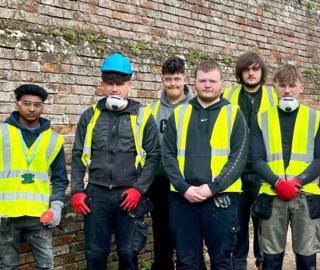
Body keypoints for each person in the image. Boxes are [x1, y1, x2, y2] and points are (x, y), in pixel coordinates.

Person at [70, 52, 161, 270]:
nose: (114, 89)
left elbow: (154, 155)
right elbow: (77, 154)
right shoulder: (89, 116)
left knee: (128, 253)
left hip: (128, 195)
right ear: (102, 83)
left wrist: (139, 190)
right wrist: (77, 190)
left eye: (119, 83)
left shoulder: (143, 116)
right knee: (95, 253)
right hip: (96, 195)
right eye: (109, 83)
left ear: (129, 83)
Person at [162, 60, 248, 269]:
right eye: (202, 80)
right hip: (183, 198)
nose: (207, 85)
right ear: (194, 82)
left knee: (222, 261)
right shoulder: (179, 114)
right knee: (186, 262)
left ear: (222, 83)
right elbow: (168, 156)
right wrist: (184, 188)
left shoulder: (234, 114)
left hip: (222, 198)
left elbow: (239, 158)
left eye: (212, 80)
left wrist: (213, 187)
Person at [250, 64, 320, 270]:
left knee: (306, 255)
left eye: (292, 85)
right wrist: (278, 182)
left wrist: (296, 182)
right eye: (282, 85)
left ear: (301, 87)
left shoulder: (316, 118)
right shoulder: (262, 118)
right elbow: (256, 158)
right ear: (274, 87)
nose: (287, 90)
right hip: (272, 195)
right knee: (271, 257)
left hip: (305, 195)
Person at [0, 84, 68, 269]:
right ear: (17, 104)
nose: (31, 108)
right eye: (26, 103)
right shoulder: (2, 133)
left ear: (43, 107)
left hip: (40, 216)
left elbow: (60, 178)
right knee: (7, 266)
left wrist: (56, 207)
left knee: (45, 265)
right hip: (5, 214)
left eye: (37, 105)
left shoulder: (53, 139)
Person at [223, 51, 277, 270]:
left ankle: (262, 262)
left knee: (264, 223)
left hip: (263, 170)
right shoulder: (229, 94)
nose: (251, 73)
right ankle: (238, 264)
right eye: (247, 69)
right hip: (236, 170)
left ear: (262, 71)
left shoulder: (274, 96)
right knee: (237, 224)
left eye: (255, 69)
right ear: (241, 72)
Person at [147, 56, 194, 270]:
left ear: (184, 78)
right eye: (168, 79)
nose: (173, 84)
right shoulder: (152, 110)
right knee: (161, 235)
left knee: (186, 235)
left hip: (188, 182)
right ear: (162, 80)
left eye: (176, 78)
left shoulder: (196, 107)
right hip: (160, 181)